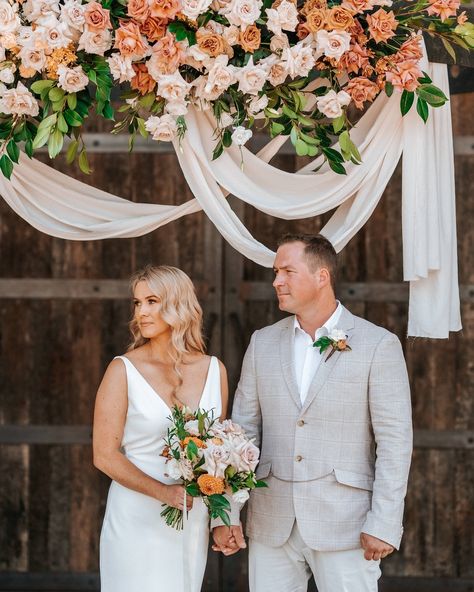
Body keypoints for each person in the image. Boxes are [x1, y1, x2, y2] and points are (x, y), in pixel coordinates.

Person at [213, 233, 413, 592]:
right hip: (271, 519)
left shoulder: (377, 345)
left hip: (346, 523)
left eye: (287, 271)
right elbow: (241, 435)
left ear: (322, 276)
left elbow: (395, 442)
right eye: (275, 272)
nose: (276, 281)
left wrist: (384, 522)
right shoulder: (262, 342)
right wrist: (227, 512)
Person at [93, 265, 228, 592]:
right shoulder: (122, 369)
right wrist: (164, 493)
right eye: (137, 303)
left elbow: (221, 455)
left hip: (191, 518)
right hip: (135, 515)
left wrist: (223, 519)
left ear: (178, 304)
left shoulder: (214, 369)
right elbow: (104, 456)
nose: (141, 312)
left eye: (152, 301)